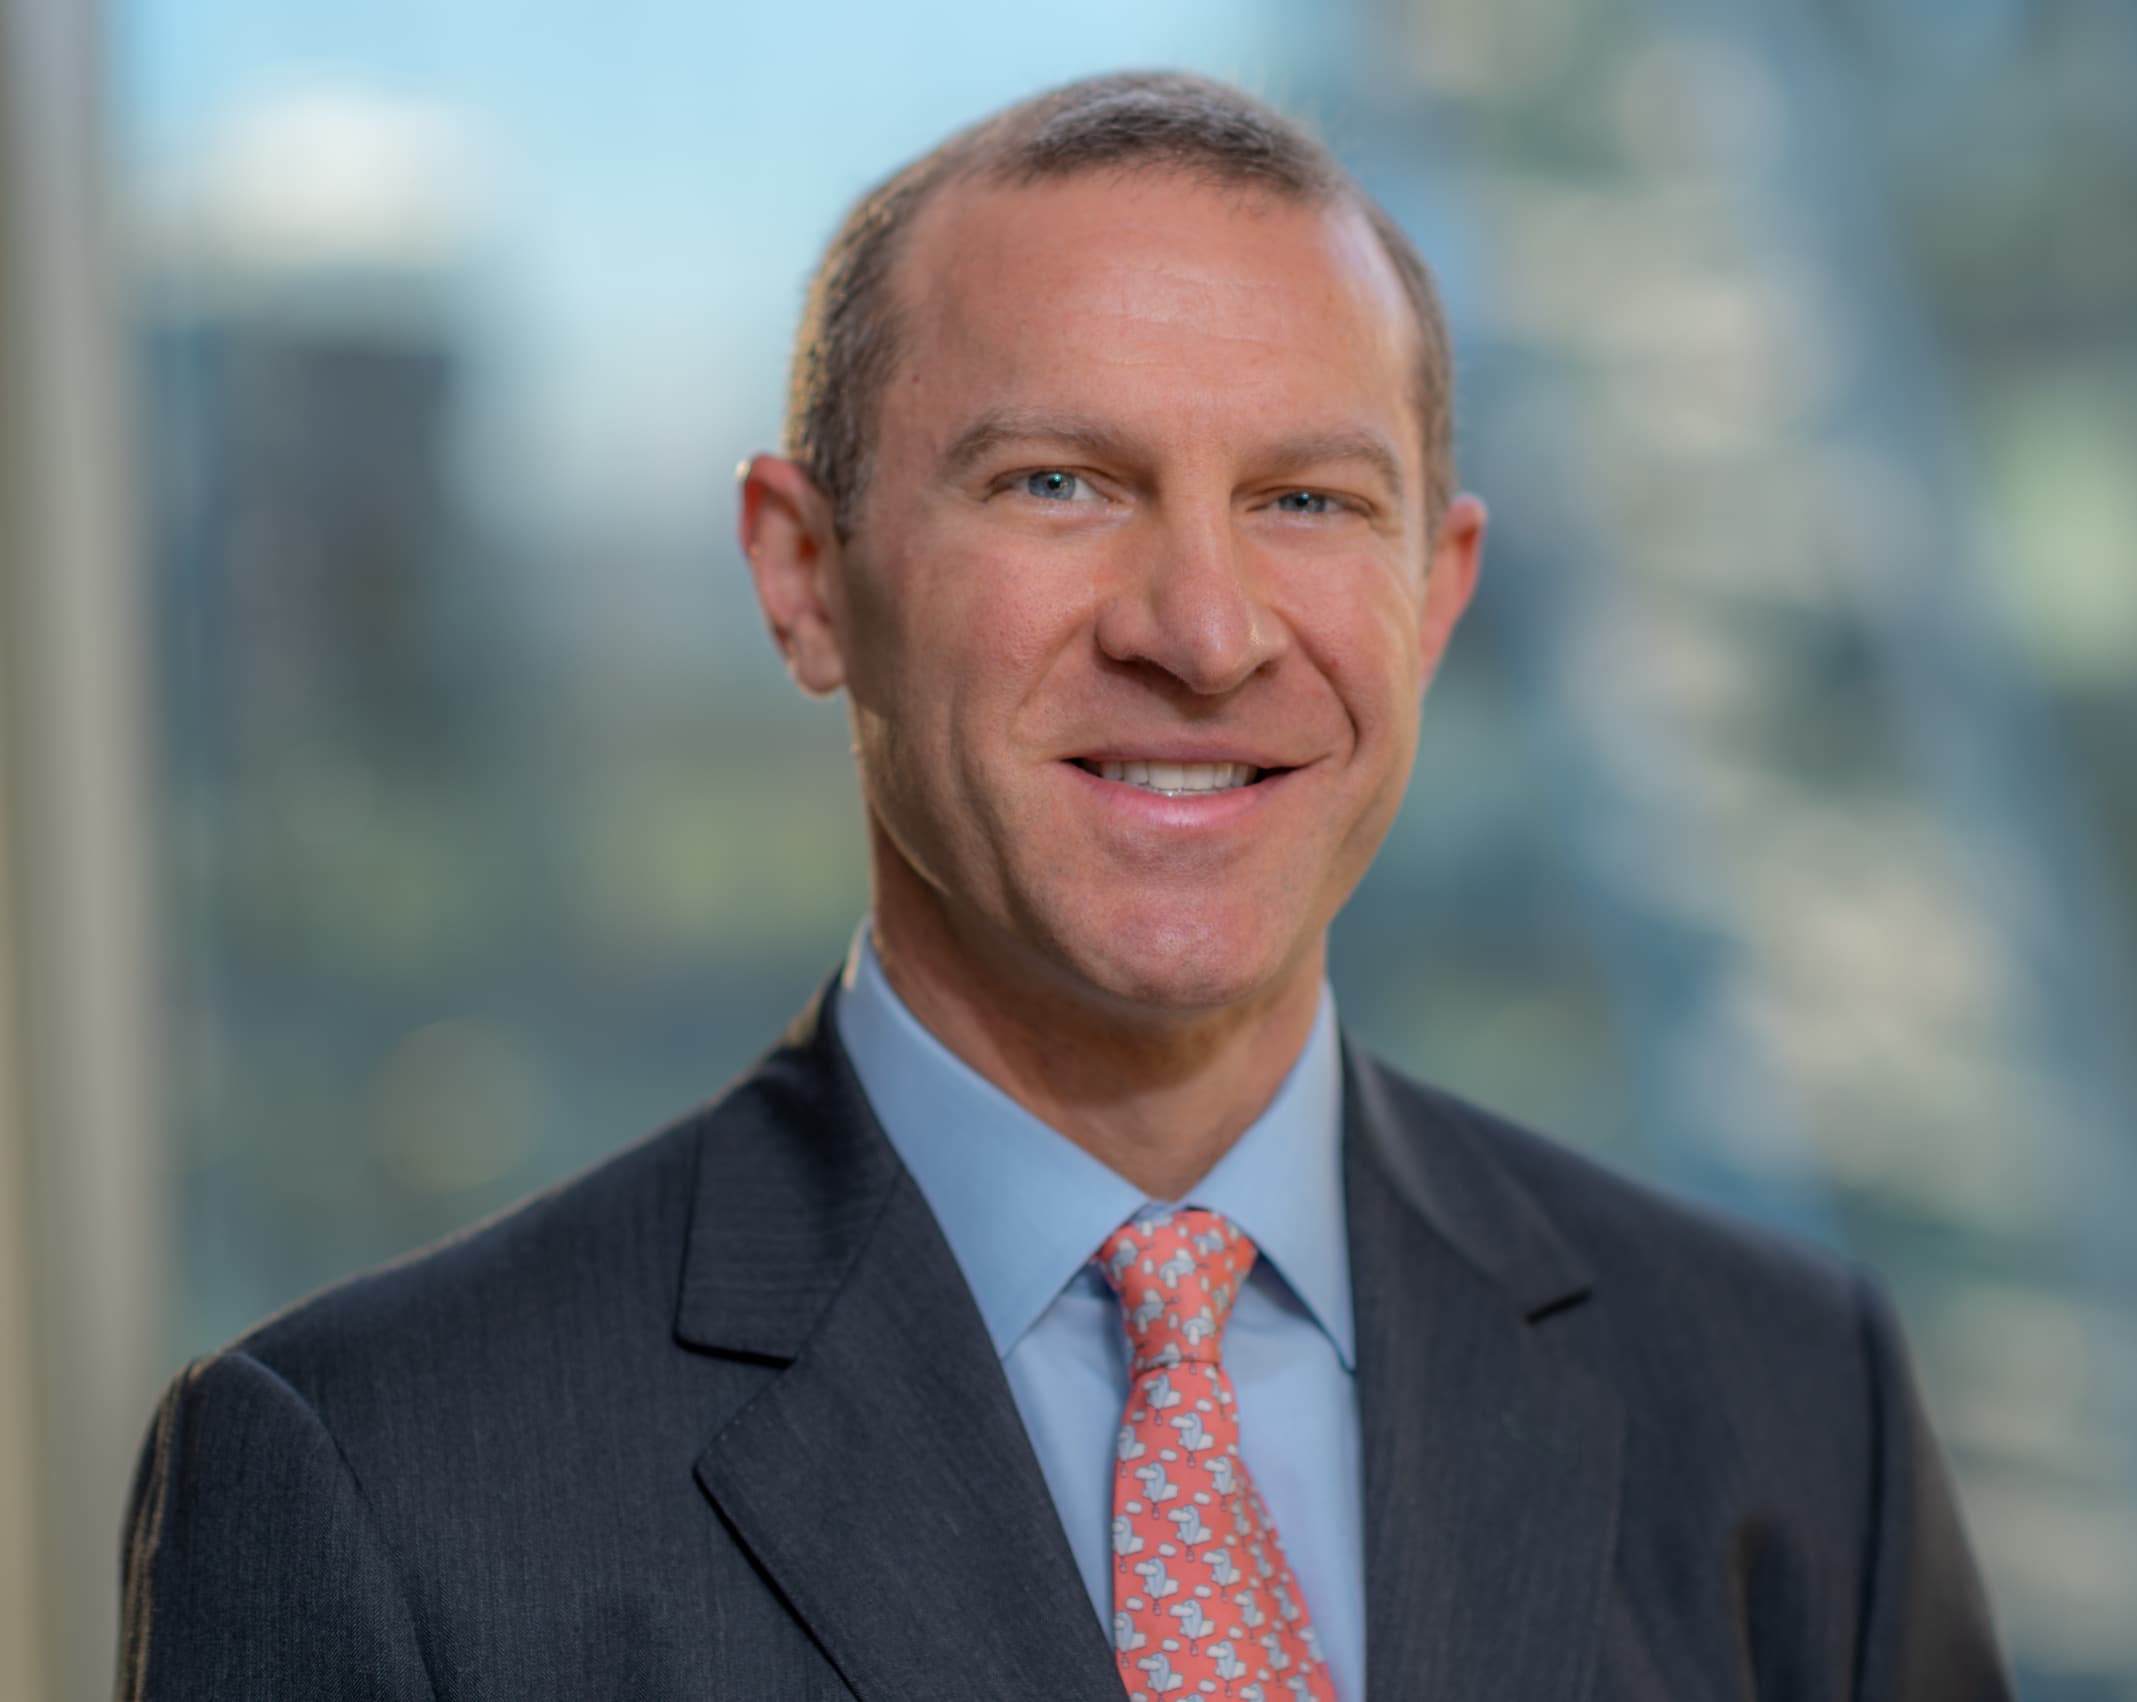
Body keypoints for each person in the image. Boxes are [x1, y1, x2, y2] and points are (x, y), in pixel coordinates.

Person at [117, 70, 2012, 1700]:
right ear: (804, 575)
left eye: (1305, 500)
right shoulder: (378, 1475)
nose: (1201, 630)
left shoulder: (1790, 1404)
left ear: (1434, 597)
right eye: (1057, 483)